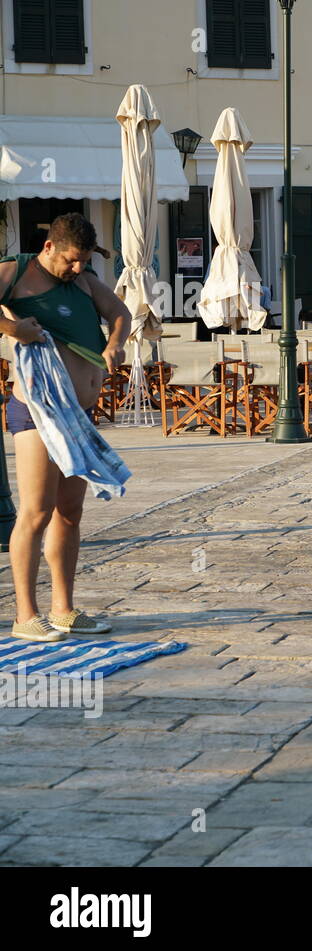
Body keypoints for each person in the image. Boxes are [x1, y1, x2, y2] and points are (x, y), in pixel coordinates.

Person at [0, 212, 129, 641]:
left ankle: (63, 609)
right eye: (71, 260)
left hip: (80, 414)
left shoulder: (85, 279)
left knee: (69, 512)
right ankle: (24, 615)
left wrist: (115, 344)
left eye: (84, 261)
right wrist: (13, 328)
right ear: (50, 247)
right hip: (38, 410)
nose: (77, 269)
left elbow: (120, 312)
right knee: (35, 512)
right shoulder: (15, 271)